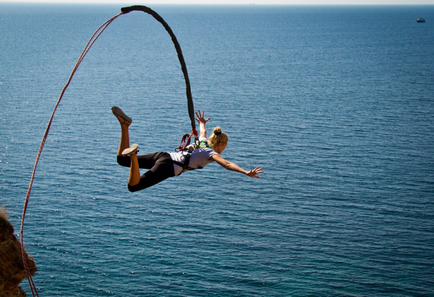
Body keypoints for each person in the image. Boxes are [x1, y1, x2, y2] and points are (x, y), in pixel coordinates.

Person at [112, 106, 264, 192]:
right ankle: (132, 155)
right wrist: (245, 172)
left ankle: (125, 125)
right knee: (133, 186)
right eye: (225, 146)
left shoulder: (203, 141)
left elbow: (203, 130)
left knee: (121, 160)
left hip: (163, 155)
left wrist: (202, 122)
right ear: (221, 144)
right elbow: (227, 164)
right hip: (168, 166)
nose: (224, 149)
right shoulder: (210, 153)